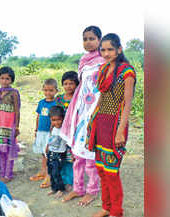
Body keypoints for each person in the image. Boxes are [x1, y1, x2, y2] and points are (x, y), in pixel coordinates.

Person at [87, 33, 136, 217]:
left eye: (110, 49)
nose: (106, 53)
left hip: (115, 125)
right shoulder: (103, 70)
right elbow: (102, 97)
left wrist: (120, 132)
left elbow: (127, 104)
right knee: (101, 169)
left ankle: (116, 211)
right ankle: (106, 207)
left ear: (119, 50)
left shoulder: (127, 72)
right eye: (103, 49)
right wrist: (92, 120)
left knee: (112, 172)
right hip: (101, 123)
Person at [61, 26, 104, 206]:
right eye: (85, 39)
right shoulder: (84, 61)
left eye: (92, 38)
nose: (88, 42)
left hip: (95, 112)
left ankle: (92, 191)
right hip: (80, 113)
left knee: (90, 155)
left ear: (100, 40)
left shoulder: (104, 61)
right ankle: (78, 189)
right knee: (77, 154)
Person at [29, 78, 58, 189]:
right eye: (45, 90)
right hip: (41, 131)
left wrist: (53, 133)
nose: (48, 93)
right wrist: (36, 130)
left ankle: (49, 175)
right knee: (42, 152)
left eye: (51, 90)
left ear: (56, 91)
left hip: (50, 133)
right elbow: (38, 116)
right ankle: (43, 171)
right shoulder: (41, 102)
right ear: (42, 90)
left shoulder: (56, 103)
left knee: (49, 153)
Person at [55, 71, 79, 192]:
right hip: (59, 133)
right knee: (60, 156)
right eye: (65, 83)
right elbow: (53, 114)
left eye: (71, 83)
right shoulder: (58, 98)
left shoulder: (78, 98)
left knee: (70, 158)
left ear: (77, 84)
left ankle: (69, 181)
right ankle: (61, 180)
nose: (68, 86)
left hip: (72, 133)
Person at [45, 106, 70, 198]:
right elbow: (51, 138)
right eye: (53, 120)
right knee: (51, 171)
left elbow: (69, 141)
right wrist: (47, 146)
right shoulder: (53, 128)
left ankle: (61, 189)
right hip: (51, 153)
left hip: (60, 154)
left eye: (59, 119)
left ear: (63, 118)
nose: (56, 122)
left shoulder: (64, 129)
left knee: (56, 172)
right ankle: (54, 188)